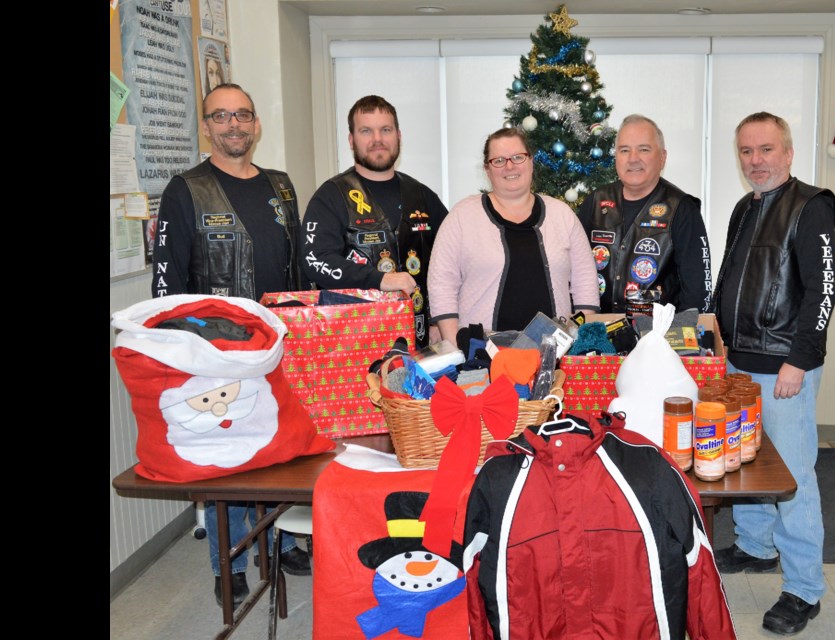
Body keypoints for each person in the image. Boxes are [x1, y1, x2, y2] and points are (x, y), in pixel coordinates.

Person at [151, 83, 312, 608]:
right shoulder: (186, 189)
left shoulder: (281, 186)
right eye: (220, 117)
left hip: (282, 346)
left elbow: (301, 268)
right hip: (220, 352)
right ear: (206, 127)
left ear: (256, 123)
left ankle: (283, 538)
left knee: (281, 451)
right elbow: (167, 282)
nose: (233, 125)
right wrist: (183, 354)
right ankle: (233, 563)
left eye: (242, 115)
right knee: (233, 462)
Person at [709, 112, 835, 635]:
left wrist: (799, 359)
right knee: (744, 461)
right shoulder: (745, 206)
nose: (755, 161)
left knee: (793, 477)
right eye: (746, 152)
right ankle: (755, 546)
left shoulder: (811, 205)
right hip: (739, 360)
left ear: (787, 152)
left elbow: (822, 290)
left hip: (786, 364)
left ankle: (805, 588)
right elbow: (729, 277)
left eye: (765, 150)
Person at [300, 95, 448, 349]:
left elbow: (449, 262)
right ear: (351, 139)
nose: (377, 139)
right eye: (366, 131)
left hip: (421, 339)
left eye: (385, 130)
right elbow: (315, 260)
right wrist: (378, 279)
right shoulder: (331, 196)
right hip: (354, 342)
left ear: (398, 135)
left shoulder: (422, 196)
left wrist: (439, 319)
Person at [428, 127, 599, 343]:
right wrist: (456, 346)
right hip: (482, 358)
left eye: (518, 157)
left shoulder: (562, 215)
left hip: (553, 355)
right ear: (487, 169)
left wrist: (576, 340)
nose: (509, 166)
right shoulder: (462, 217)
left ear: (531, 161)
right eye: (498, 160)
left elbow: (585, 282)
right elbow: (441, 283)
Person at [577, 115, 712, 316]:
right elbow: (574, 270)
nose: (633, 159)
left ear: (662, 157)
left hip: (657, 339)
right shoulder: (596, 202)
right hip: (599, 335)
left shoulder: (681, 209)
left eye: (644, 149)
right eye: (624, 150)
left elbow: (697, 291)